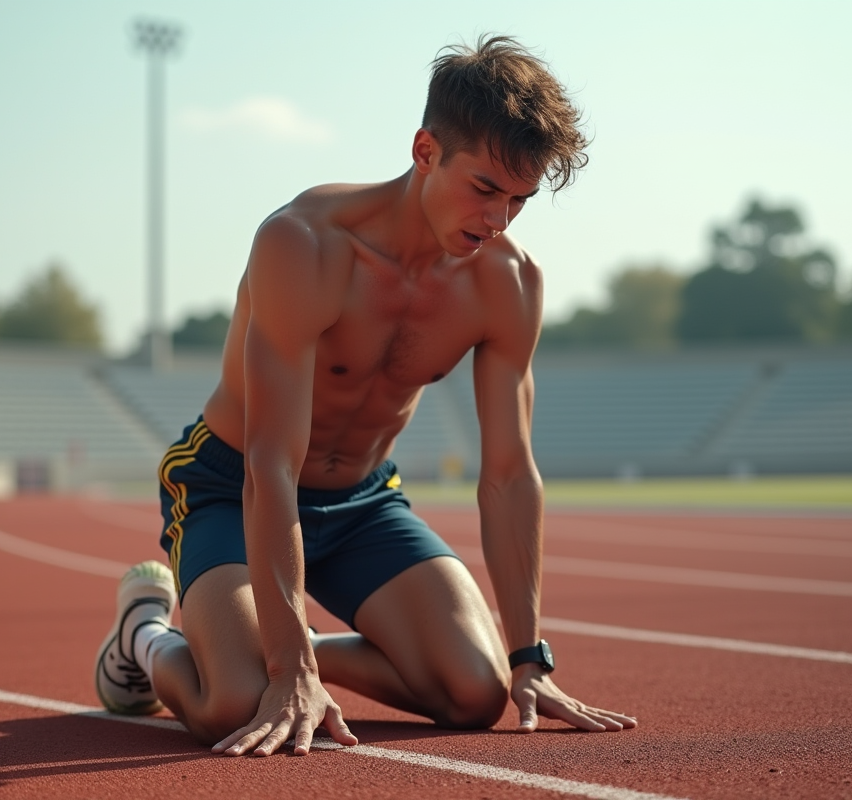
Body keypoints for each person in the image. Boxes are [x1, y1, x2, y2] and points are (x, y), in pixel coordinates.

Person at [95, 34, 637, 757]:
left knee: (475, 693)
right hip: (234, 483)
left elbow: (509, 475)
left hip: (362, 500)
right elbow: (271, 465)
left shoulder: (509, 283)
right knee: (236, 700)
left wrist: (527, 658)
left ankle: (271, 642)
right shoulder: (305, 246)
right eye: (484, 189)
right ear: (424, 151)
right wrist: (286, 670)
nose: (499, 220)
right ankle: (147, 635)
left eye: (519, 200)